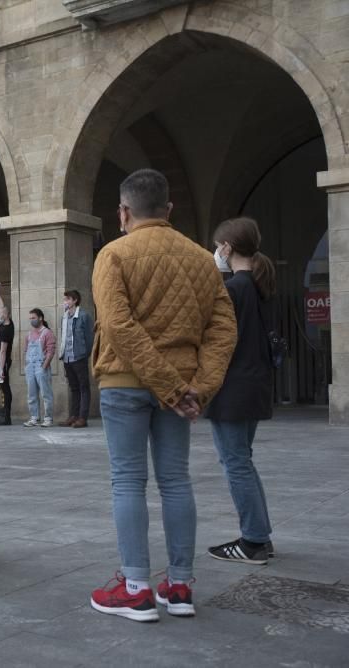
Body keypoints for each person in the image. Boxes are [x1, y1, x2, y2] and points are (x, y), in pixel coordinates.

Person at [89, 169, 236, 622]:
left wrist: (165, 385)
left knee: (128, 481)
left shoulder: (112, 255)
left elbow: (118, 326)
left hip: (125, 383)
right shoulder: (200, 260)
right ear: (169, 210)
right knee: (176, 480)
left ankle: (134, 588)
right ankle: (180, 586)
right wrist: (197, 388)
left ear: (123, 212)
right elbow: (223, 329)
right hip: (182, 390)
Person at [205, 217, 277, 565]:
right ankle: (260, 536)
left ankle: (253, 541)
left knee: (235, 463)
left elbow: (217, 340)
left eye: (218, 246)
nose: (216, 252)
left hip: (233, 388)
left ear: (228, 248)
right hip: (254, 385)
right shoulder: (257, 285)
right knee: (243, 462)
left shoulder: (234, 289)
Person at [58, 290, 95, 428]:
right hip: (67, 357)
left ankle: (82, 417)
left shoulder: (84, 316)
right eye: (64, 299)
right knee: (74, 388)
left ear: (74, 300)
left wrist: (85, 353)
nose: (65, 302)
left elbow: (90, 337)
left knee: (84, 387)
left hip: (79, 357)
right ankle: (73, 416)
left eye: (67, 299)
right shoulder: (64, 317)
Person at [23, 308, 55, 428]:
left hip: (41, 366)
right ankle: (34, 417)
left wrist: (44, 366)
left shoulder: (47, 333)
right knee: (31, 394)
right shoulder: (29, 334)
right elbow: (26, 350)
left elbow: (51, 351)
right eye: (30, 318)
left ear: (40, 318)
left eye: (34, 318)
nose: (32, 320)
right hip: (30, 366)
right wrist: (26, 365)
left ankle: (48, 418)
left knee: (46, 394)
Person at [0, 306, 15, 426]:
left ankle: (6, 417)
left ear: (5, 315)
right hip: (1, 362)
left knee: (5, 388)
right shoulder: (6, 323)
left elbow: (3, 351)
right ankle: (3, 415)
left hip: (3, 362)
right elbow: (2, 305)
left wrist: (1, 369)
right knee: (2, 388)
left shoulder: (6, 330)